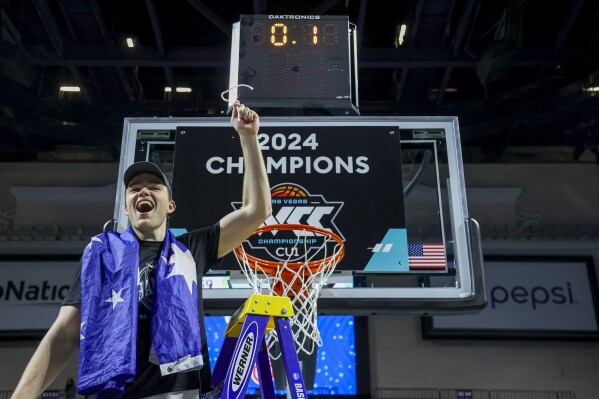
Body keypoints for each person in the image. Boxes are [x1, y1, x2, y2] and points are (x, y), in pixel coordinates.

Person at [10, 100, 271, 399]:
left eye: (154, 186)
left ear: (170, 206)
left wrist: (248, 137)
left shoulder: (191, 249)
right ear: (126, 206)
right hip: (117, 392)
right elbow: (64, 334)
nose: (143, 190)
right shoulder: (103, 252)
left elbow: (257, 210)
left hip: (181, 392)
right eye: (134, 188)